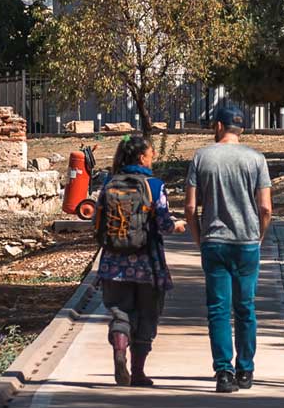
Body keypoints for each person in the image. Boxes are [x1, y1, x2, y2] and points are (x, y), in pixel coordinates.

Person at [185, 103, 272, 392]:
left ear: (219, 127)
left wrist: (199, 238)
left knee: (218, 309)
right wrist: (259, 236)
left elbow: (189, 206)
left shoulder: (202, 157)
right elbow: (266, 207)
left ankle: (223, 371)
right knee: (245, 307)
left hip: (214, 242)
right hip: (247, 242)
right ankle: (245, 371)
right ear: (241, 129)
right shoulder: (256, 159)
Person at [94, 135, 185, 387]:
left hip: (113, 263)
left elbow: (98, 222)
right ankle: (138, 373)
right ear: (141, 157)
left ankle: (119, 350)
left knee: (120, 313)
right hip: (148, 263)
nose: (153, 156)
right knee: (147, 315)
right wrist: (177, 226)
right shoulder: (154, 185)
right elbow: (164, 222)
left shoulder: (108, 183)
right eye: (150, 153)